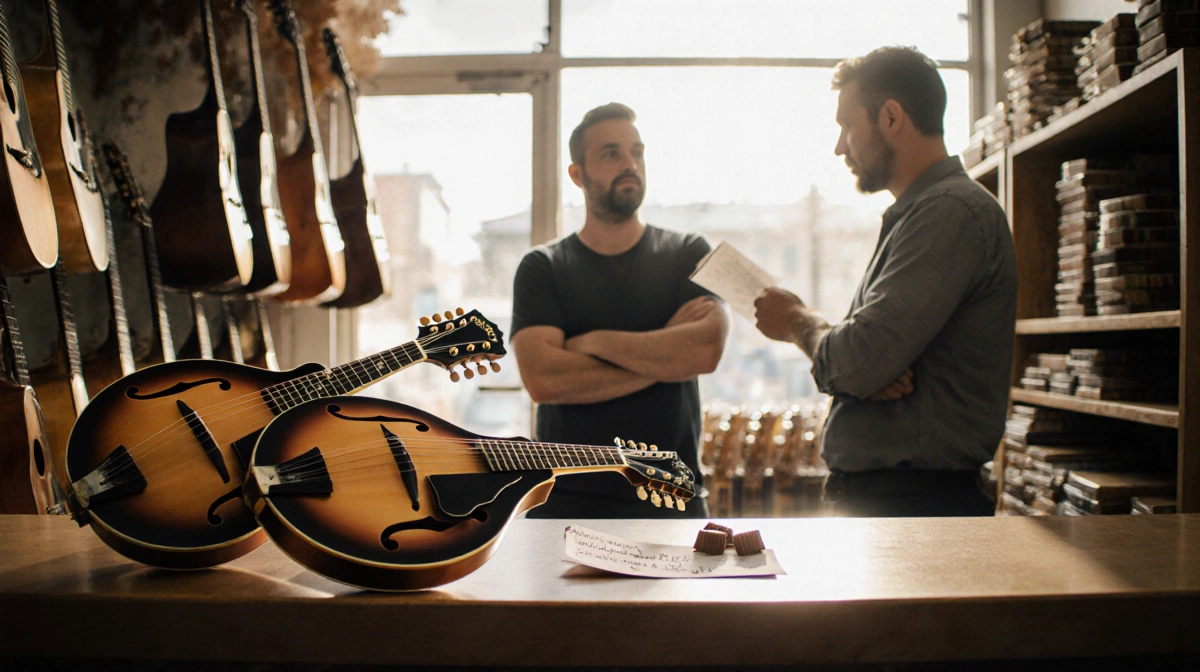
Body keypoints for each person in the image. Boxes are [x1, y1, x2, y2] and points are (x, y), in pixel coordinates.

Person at [754, 46, 1017, 517]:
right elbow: (864, 363)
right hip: (900, 503)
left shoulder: (949, 214)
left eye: (847, 125)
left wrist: (798, 321)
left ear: (891, 117)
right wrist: (864, 372)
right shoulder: (919, 215)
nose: (840, 146)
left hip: (916, 508)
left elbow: (857, 363)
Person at [510, 103, 729, 518]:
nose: (630, 164)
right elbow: (543, 380)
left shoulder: (688, 252)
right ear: (577, 174)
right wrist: (666, 359)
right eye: (611, 153)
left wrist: (595, 343)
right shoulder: (543, 267)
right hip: (567, 506)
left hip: (671, 499)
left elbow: (705, 351)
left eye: (637, 152)